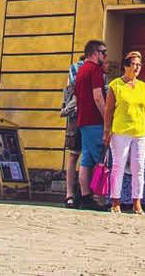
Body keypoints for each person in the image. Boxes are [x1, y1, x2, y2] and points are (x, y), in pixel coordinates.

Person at [102, 50, 145, 214]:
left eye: (139, 65)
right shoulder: (116, 86)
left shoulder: (143, 86)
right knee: (118, 166)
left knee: (139, 167)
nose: (137, 68)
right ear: (126, 66)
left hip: (139, 132)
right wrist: (107, 131)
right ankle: (115, 201)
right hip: (121, 131)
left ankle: (137, 202)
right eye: (134, 64)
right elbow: (109, 111)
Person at [74, 38, 108, 210]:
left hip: (82, 120)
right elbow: (98, 97)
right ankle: (99, 198)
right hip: (94, 121)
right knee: (100, 160)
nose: (106, 56)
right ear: (95, 53)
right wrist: (106, 119)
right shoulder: (95, 70)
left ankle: (85, 196)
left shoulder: (81, 70)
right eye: (103, 52)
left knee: (86, 160)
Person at [61, 53, 84, 208]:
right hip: (80, 115)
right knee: (84, 156)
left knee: (74, 155)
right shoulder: (79, 68)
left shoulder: (74, 67)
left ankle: (70, 194)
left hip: (74, 117)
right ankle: (82, 193)